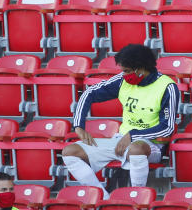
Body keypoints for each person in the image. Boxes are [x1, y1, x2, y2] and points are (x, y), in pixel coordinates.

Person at [62, 44, 179, 195]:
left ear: (140, 68)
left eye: (127, 71)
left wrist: (132, 135)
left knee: (136, 148)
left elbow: (168, 128)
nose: (123, 75)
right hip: (121, 140)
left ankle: (137, 198)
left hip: (152, 144)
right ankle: (103, 198)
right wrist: (78, 126)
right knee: (70, 151)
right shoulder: (122, 80)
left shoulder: (167, 86)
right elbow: (88, 94)